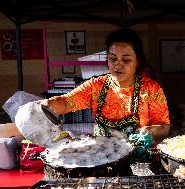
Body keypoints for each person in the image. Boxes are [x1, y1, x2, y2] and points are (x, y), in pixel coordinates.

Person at [41, 27, 170, 145]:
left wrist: (150, 132)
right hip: (103, 158)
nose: (118, 65)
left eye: (126, 60)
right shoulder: (95, 86)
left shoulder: (151, 88)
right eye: (113, 59)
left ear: (138, 61)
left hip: (138, 158)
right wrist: (48, 104)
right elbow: (65, 102)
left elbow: (164, 127)